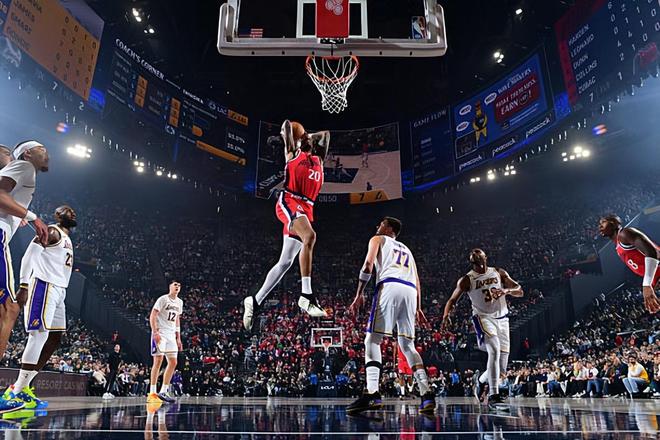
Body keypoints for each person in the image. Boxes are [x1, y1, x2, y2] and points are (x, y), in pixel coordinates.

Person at [243, 121, 330, 331]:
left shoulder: (319, 158)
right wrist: (291, 136)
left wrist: (308, 136)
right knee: (310, 236)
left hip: (307, 208)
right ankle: (306, 295)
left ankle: (255, 301)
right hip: (290, 201)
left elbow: (326, 134)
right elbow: (287, 125)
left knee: (285, 263)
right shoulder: (292, 154)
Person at [346, 217, 435, 415]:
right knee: (408, 345)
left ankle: (372, 393)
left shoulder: (377, 239)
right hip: (410, 292)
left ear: (388, 228)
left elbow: (368, 265)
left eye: (381, 224)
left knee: (372, 340)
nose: (377, 226)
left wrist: (359, 293)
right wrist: (419, 307)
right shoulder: (408, 250)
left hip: (390, 286)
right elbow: (417, 280)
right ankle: (427, 394)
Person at [3, 206, 76, 410]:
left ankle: (24, 387)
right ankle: (15, 391)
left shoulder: (67, 238)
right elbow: (29, 256)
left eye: (73, 211)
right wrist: (24, 285)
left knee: (55, 338)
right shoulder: (52, 231)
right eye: (66, 210)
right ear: (57, 215)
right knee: (39, 335)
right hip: (44, 285)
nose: (72, 213)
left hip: (60, 290)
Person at [441, 248, 523, 410]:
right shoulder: (467, 279)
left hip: (502, 320)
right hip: (483, 318)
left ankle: (479, 381)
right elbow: (452, 300)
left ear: (486, 257)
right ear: (472, 261)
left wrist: (506, 291)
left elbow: (519, 290)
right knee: (494, 349)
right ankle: (493, 396)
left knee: (501, 370)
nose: (476, 253)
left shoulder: (498, 272)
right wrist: (445, 315)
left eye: (479, 253)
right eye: (474, 255)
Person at [0, 141, 49, 387]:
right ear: (27, 153)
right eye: (41, 148)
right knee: (9, 309)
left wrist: (18, 213)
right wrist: (32, 217)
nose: (46, 151)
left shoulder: (20, 172)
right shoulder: (24, 166)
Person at [598, 215, 660, 313]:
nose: (600, 226)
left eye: (603, 222)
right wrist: (652, 286)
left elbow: (652, 252)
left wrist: (647, 284)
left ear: (614, 223)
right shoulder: (618, 244)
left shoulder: (625, 233)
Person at [148, 280, 183, 404]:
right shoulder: (163, 299)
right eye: (175, 284)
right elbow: (152, 316)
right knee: (158, 361)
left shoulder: (180, 302)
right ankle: (152, 393)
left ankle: (164, 391)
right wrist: (155, 332)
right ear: (170, 286)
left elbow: (177, 319)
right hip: (160, 332)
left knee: (173, 362)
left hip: (171, 334)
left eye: (179, 285)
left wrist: (178, 337)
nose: (177, 287)